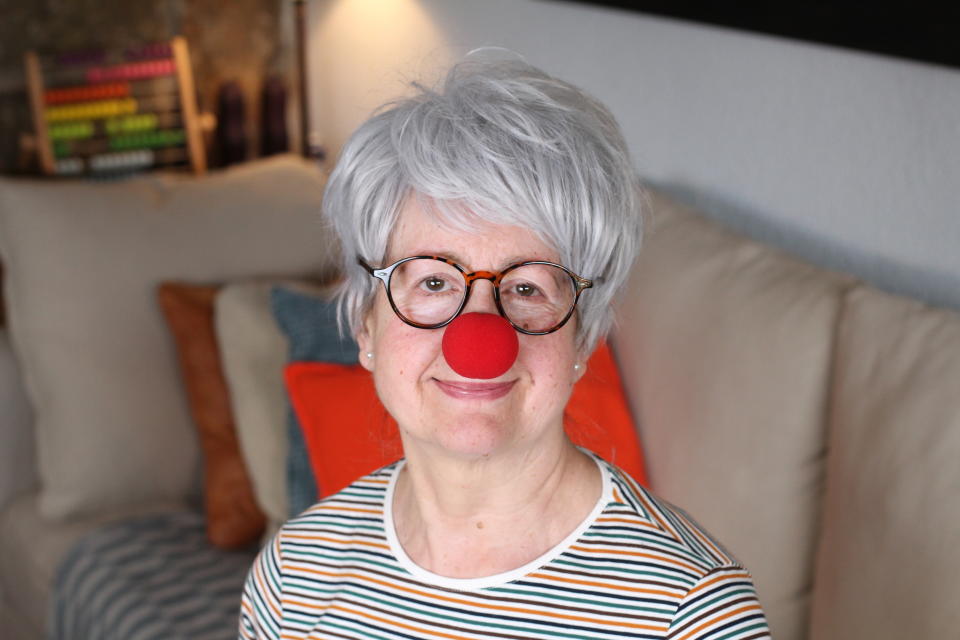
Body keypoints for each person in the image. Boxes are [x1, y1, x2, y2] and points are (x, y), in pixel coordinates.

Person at [239, 55, 770, 640]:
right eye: (434, 281)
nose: (480, 337)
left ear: (583, 338)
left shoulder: (692, 610)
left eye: (526, 287)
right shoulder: (294, 578)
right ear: (366, 327)